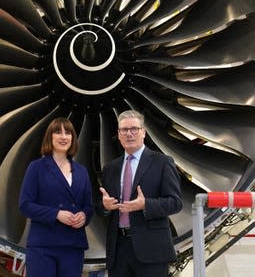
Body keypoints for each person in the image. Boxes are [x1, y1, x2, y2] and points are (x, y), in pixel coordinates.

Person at [98, 110, 182, 276]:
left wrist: (146, 204)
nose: (129, 134)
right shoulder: (110, 168)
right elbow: (101, 207)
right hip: (119, 250)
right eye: (124, 130)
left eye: (134, 129)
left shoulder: (163, 163)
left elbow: (175, 202)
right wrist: (105, 206)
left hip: (151, 250)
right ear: (119, 134)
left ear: (143, 132)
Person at [19, 117, 93, 277]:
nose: (63, 137)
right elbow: (25, 205)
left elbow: (88, 206)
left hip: (73, 246)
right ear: (50, 137)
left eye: (68, 133)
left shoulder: (81, 171)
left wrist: (84, 216)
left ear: (73, 138)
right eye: (58, 132)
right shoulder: (36, 167)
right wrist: (56, 214)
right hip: (43, 246)